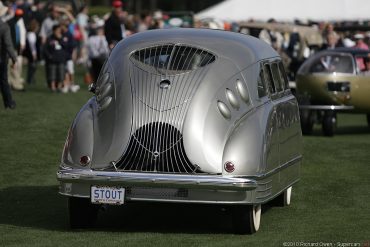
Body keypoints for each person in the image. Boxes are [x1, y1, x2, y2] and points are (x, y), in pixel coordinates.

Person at [0, 1, 17, 109]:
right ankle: (9, 103)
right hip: (1, 58)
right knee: (3, 81)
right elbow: (8, 45)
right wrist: (14, 58)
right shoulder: (4, 26)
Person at [44, 24, 66, 92]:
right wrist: (49, 56)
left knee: (61, 73)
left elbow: (66, 46)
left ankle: (59, 87)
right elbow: (45, 49)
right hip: (52, 60)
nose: (58, 32)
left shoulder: (63, 38)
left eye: (59, 30)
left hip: (61, 59)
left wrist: (60, 39)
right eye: (57, 30)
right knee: (52, 74)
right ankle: (53, 87)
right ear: (54, 31)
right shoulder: (49, 38)